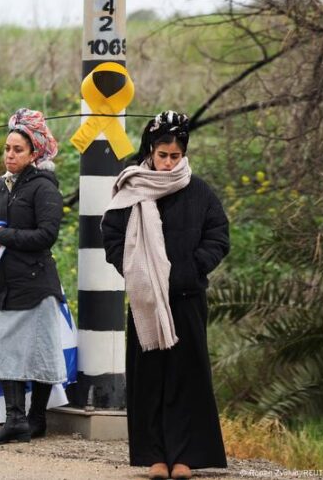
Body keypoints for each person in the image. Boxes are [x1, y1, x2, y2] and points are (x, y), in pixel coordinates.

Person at [101, 111, 230, 480]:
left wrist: (189, 269)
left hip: (187, 298)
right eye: (162, 155)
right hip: (145, 301)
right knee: (150, 380)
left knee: (186, 378)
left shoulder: (199, 191)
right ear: (151, 151)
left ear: (183, 153)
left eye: (175, 156)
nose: (168, 162)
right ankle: (155, 457)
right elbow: (110, 236)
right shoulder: (132, 189)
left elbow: (219, 236)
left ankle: (186, 458)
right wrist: (137, 271)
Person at [0, 108, 67, 445]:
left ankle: (35, 419)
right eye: (7, 148)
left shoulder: (44, 188)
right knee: (4, 347)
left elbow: (47, 235)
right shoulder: (4, 185)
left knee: (39, 351)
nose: (10, 155)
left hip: (35, 282)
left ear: (34, 154)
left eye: (17, 150)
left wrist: (4, 235)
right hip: (5, 280)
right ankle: (15, 419)